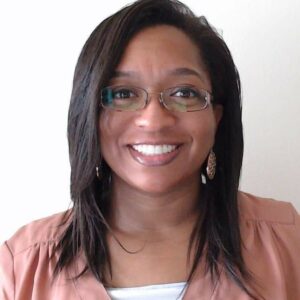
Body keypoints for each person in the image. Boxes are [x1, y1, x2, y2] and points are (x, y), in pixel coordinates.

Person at [1, 0, 299, 299]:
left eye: (184, 92)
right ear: (88, 113)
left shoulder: (287, 242)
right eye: (123, 94)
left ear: (216, 118)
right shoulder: (21, 267)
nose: (154, 121)